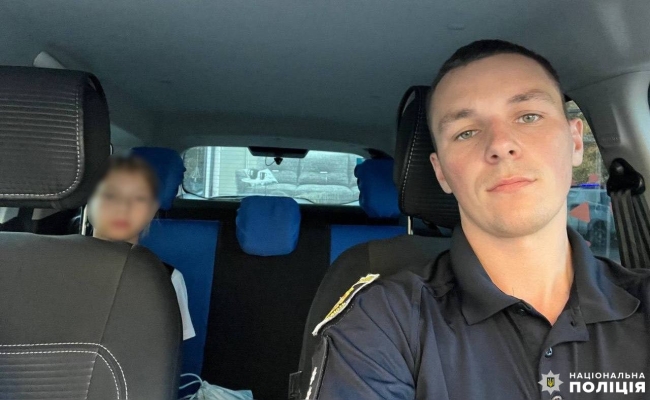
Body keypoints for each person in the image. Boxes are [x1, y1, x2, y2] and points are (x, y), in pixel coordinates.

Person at [308, 40, 650, 399]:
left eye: (528, 116)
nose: (500, 144)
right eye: (466, 132)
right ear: (441, 173)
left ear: (575, 141)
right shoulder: (384, 322)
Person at [87, 155, 196, 341]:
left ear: (152, 210)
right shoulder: (53, 265)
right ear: (89, 203)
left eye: (139, 198)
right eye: (110, 195)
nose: (123, 207)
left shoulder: (166, 278)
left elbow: (169, 349)